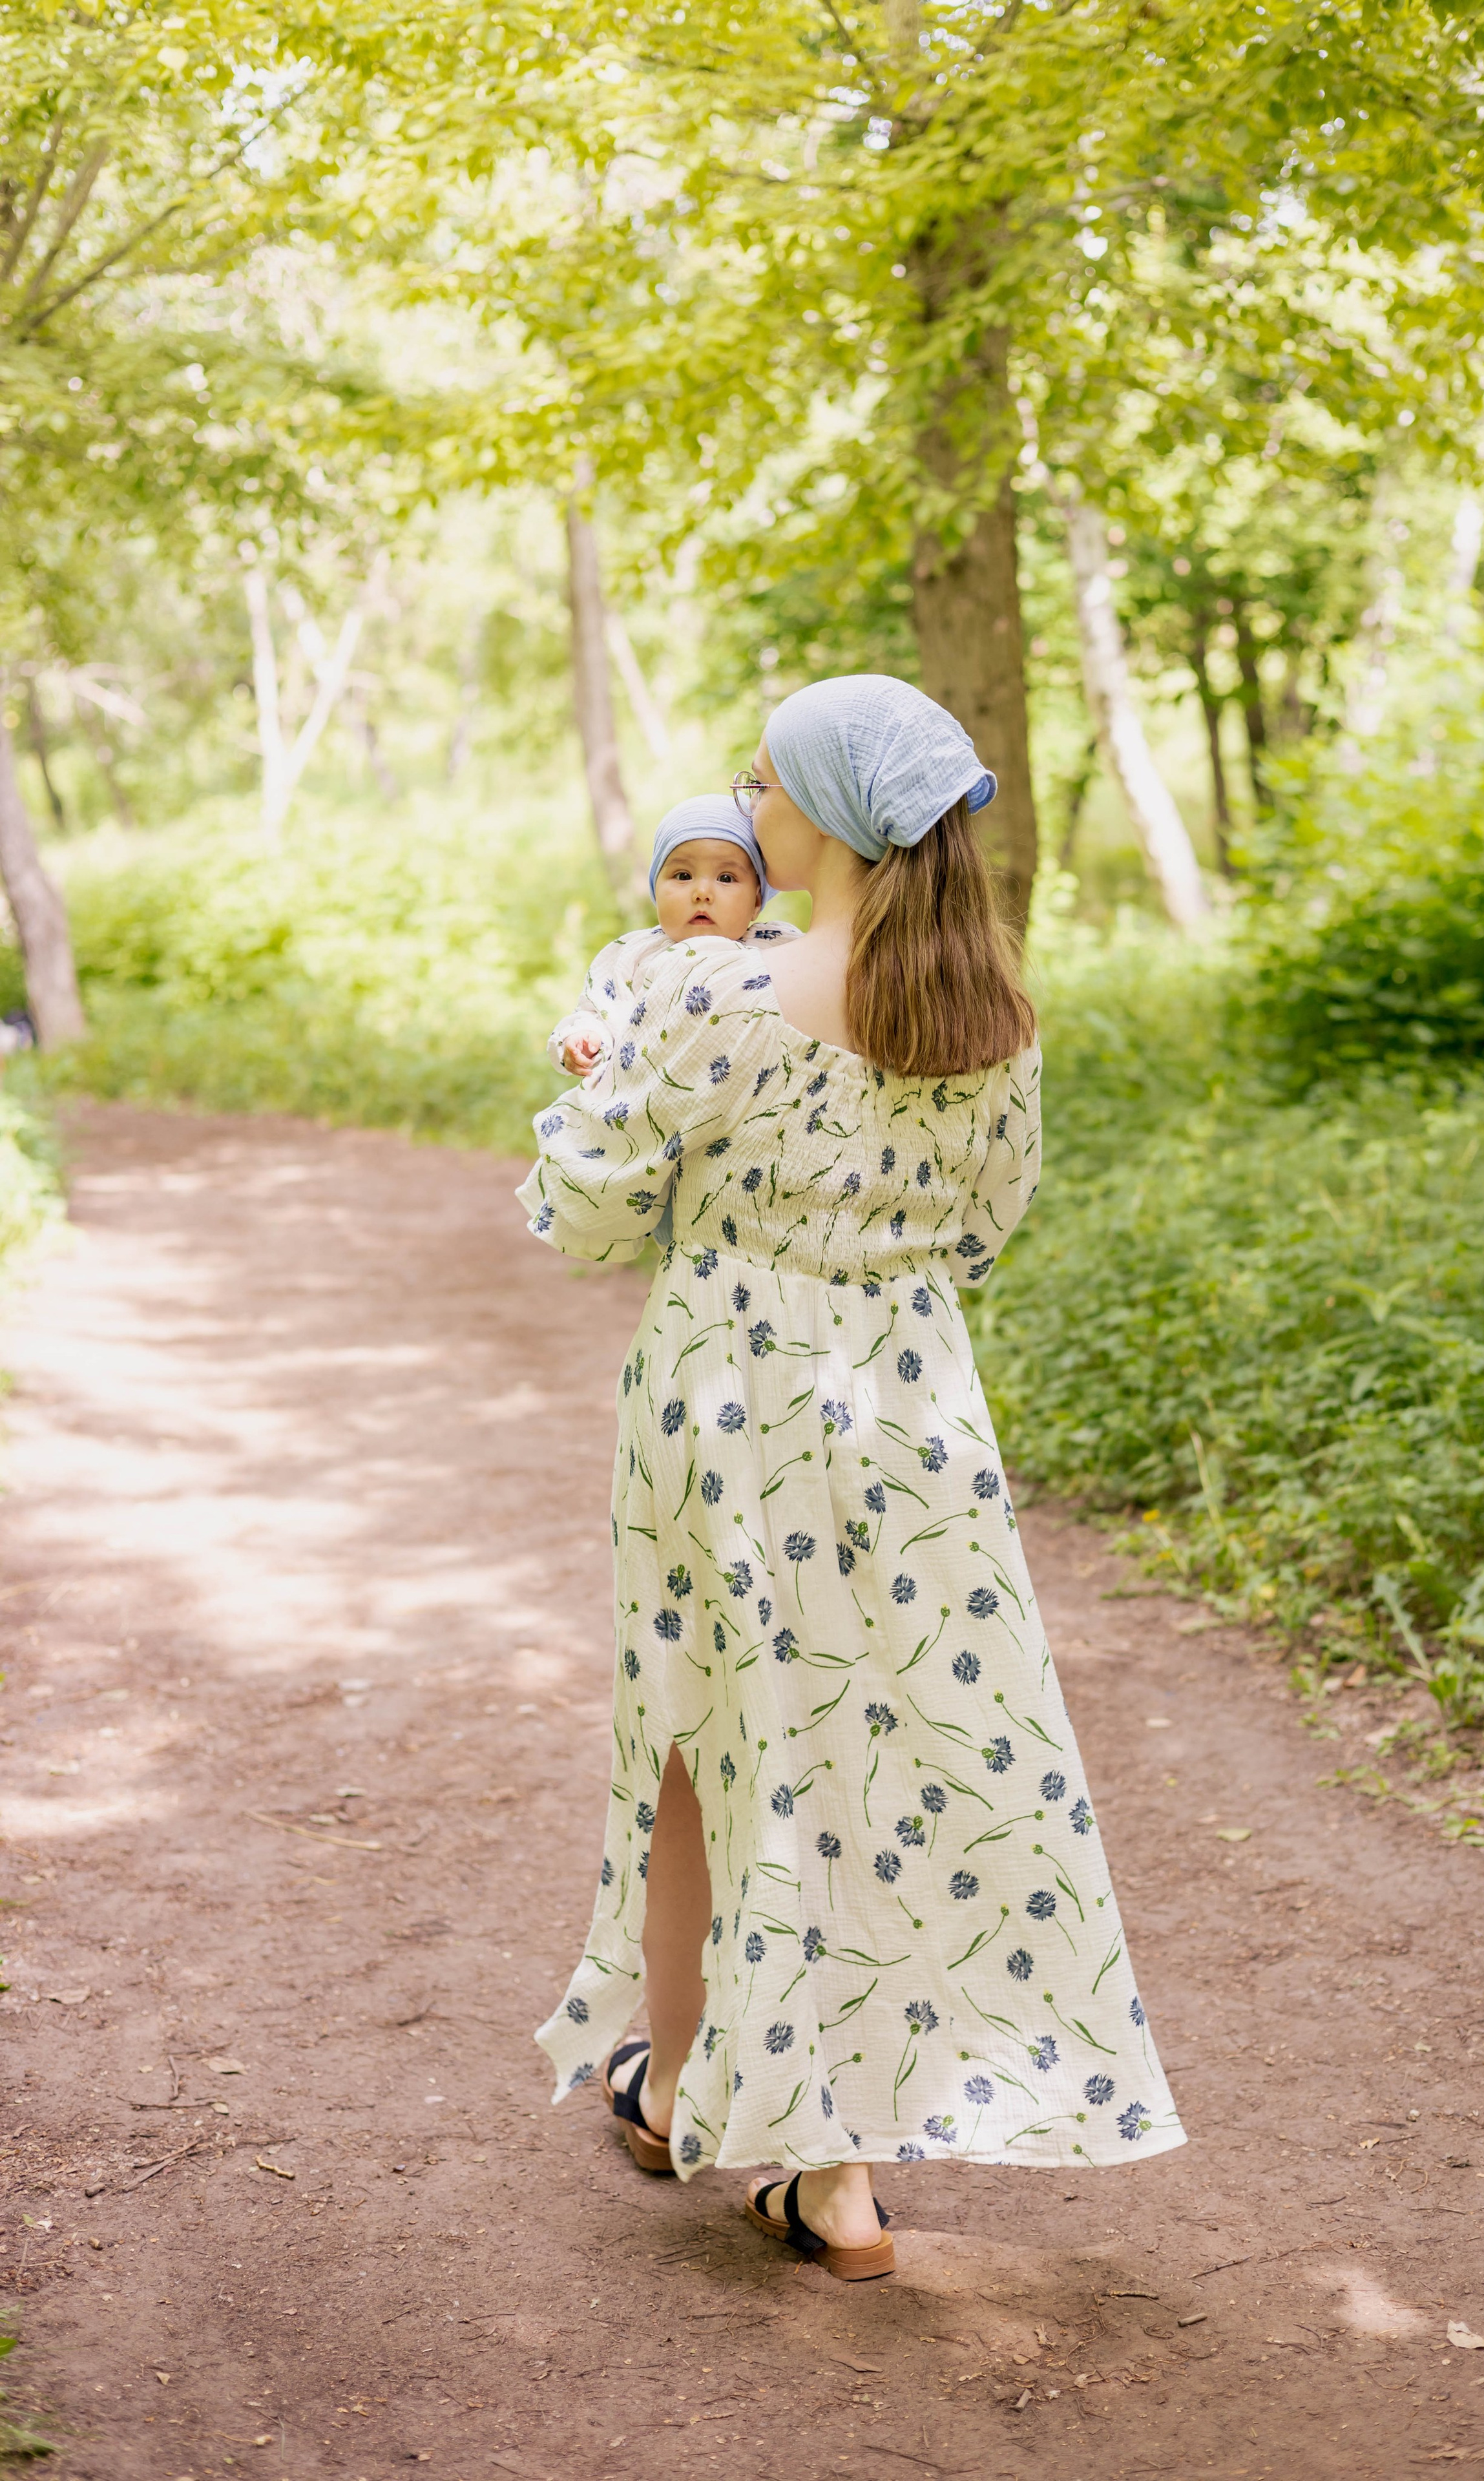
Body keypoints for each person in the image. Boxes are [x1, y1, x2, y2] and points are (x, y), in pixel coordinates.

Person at [519, 673, 1182, 2283]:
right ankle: (838, 2178)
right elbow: (980, 1222)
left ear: (824, 814)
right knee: (876, 1748)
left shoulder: (707, 1000)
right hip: (906, 1409)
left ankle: (680, 2087)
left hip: (724, 1398)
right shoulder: (984, 1019)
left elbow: (587, 1214)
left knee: (703, 1731)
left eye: (765, 777)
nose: (743, 800)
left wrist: (585, 1077)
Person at [550, 793, 797, 1079]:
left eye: (726, 878)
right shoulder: (632, 954)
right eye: (683, 876)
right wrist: (585, 1037)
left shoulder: (776, 946)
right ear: (656, 888)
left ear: (756, 901)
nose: (702, 893)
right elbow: (597, 1013)